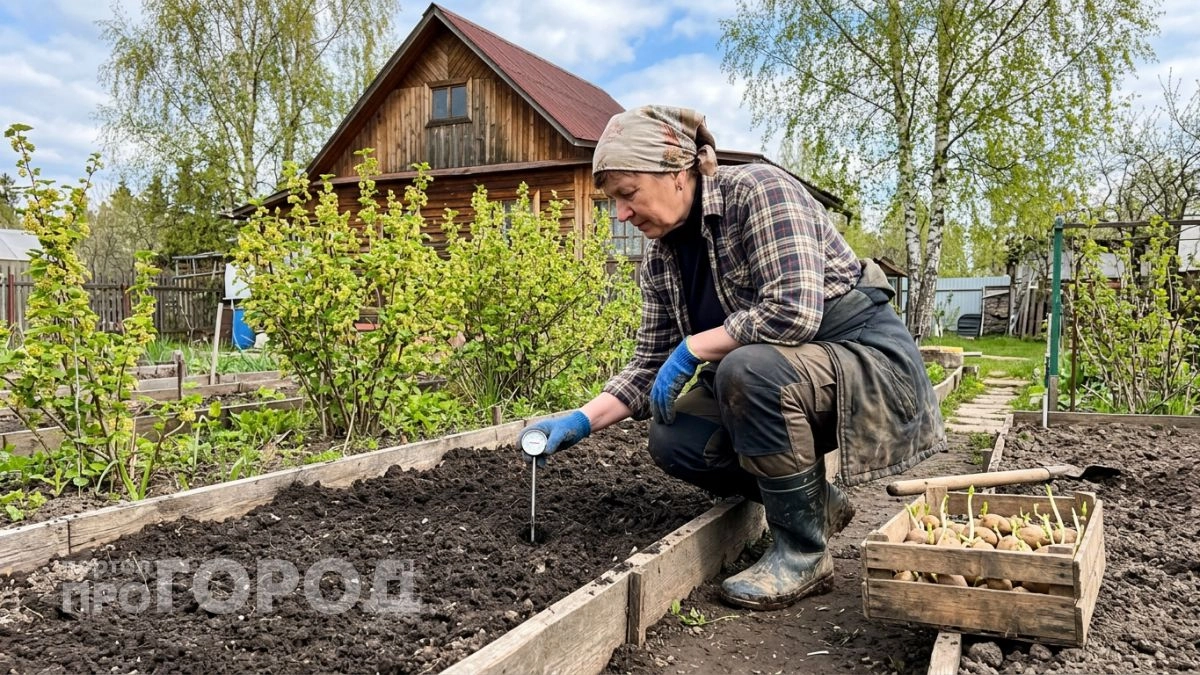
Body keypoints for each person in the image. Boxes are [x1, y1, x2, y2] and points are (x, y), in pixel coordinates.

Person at [520, 105, 945, 610]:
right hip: (789, 381)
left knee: (747, 369)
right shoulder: (661, 258)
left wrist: (696, 345)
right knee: (673, 433)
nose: (622, 215)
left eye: (628, 194)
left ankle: (804, 555)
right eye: (613, 201)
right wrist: (581, 420)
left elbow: (792, 313)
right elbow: (650, 363)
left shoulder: (760, 193)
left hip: (866, 365)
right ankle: (817, 507)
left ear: (677, 174)